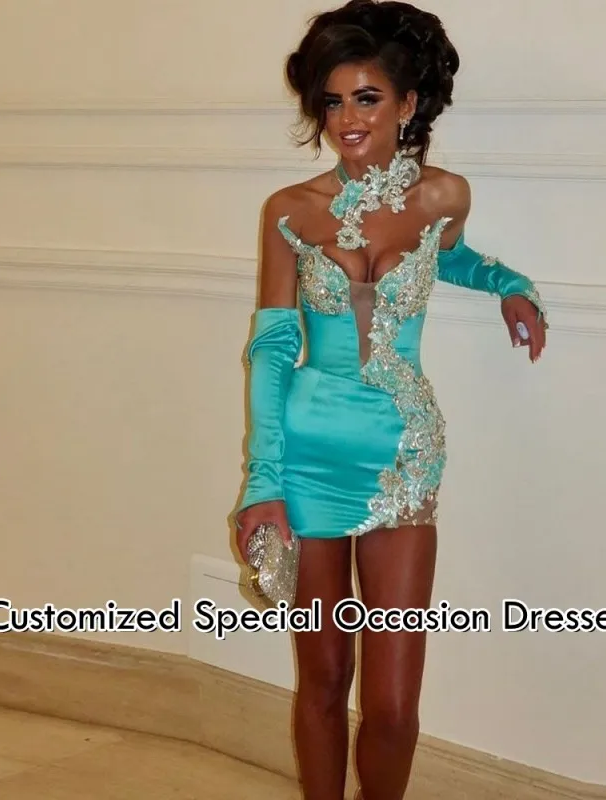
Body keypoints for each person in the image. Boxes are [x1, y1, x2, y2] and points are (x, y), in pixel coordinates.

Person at [232, 2, 547, 798]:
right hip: (307, 454)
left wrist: (509, 283)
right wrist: (262, 482)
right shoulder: (289, 211)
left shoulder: (444, 197)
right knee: (323, 678)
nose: (346, 118)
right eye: (333, 100)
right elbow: (271, 350)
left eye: (367, 98)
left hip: (404, 451)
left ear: (408, 104)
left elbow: (450, 256)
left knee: (395, 705)